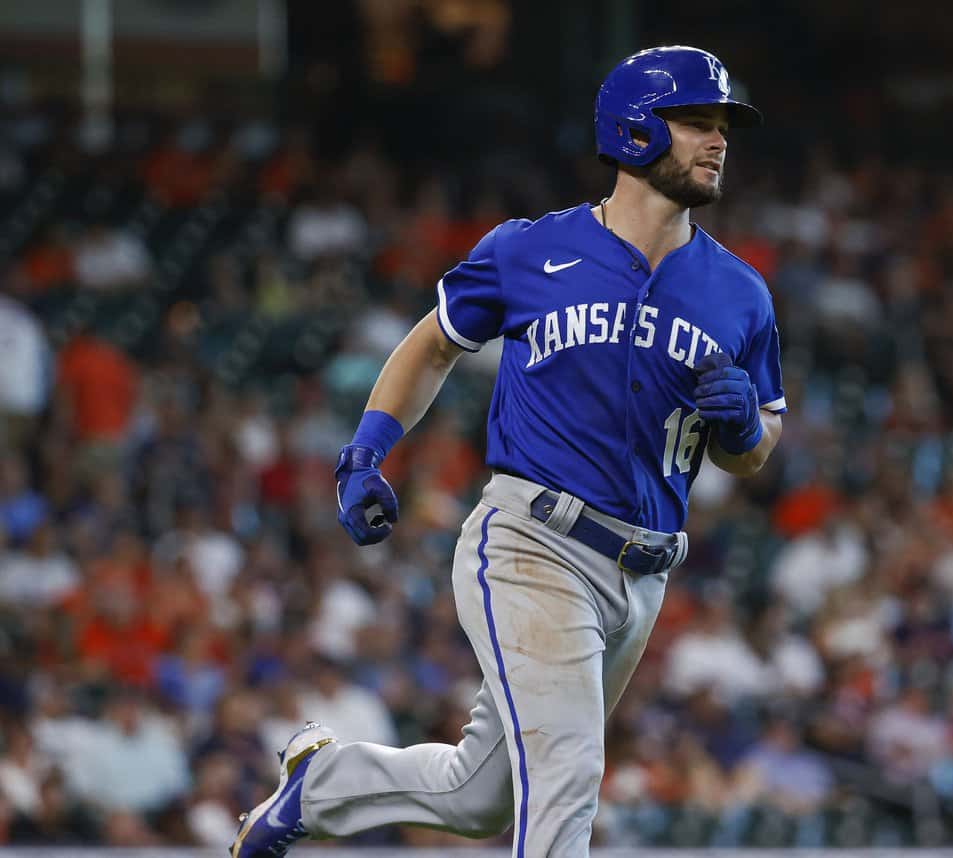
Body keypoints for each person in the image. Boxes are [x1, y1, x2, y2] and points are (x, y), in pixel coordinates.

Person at [230, 45, 787, 858]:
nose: (718, 140)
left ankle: (322, 786)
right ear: (634, 132)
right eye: (697, 121)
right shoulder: (531, 251)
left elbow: (756, 451)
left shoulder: (742, 293)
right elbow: (431, 346)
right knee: (567, 769)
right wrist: (364, 453)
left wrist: (744, 429)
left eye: (723, 125)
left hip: (643, 572)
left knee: (480, 794)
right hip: (535, 543)